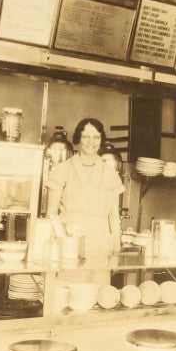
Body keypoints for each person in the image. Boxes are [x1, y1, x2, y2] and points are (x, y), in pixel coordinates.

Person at [46, 117, 124, 276]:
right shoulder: (62, 170)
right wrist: (51, 250)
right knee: (68, 288)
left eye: (96, 137)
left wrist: (116, 249)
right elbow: (51, 215)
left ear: (101, 139)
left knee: (98, 289)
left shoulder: (110, 173)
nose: (91, 142)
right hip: (70, 245)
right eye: (86, 136)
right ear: (78, 139)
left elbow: (114, 217)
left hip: (101, 246)